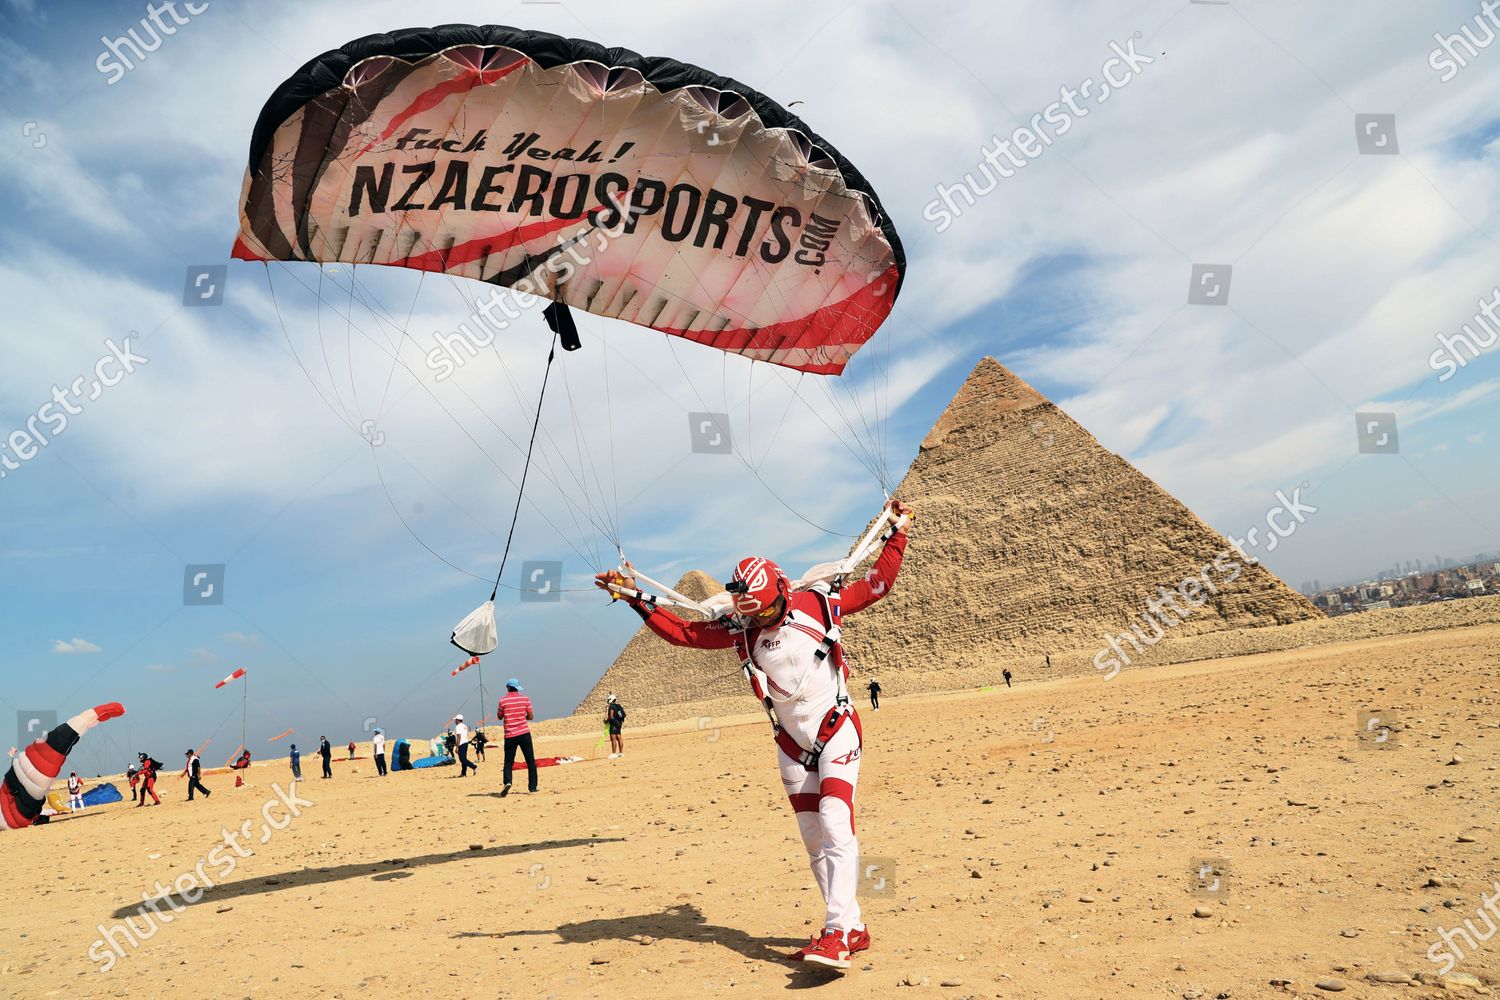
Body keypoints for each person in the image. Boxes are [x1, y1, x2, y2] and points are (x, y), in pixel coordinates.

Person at [595, 498, 911, 970]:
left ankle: (835, 932)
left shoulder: (818, 604)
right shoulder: (743, 628)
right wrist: (633, 598)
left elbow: (877, 584)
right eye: (753, 614)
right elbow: (686, 634)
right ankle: (853, 925)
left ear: (782, 591)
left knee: (835, 820)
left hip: (836, 728)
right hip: (791, 744)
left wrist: (898, 535)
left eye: (765, 612)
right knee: (812, 837)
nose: (760, 621)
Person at [497, 679, 537, 796]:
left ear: (508, 688)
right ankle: (533, 787)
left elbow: (499, 716)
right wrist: (522, 717)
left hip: (510, 735)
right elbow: (531, 716)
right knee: (530, 761)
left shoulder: (502, 701)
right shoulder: (525, 699)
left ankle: (507, 782)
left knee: (508, 762)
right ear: (517, 688)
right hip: (524, 733)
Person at [604, 694, 626, 758]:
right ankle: (621, 753)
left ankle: (614, 753)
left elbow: (611, 715)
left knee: (613, 738)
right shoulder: (618, 706)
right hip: (619, 723)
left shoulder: (611, 706)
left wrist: (606, 721)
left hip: (613, 723)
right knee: (619, 737)